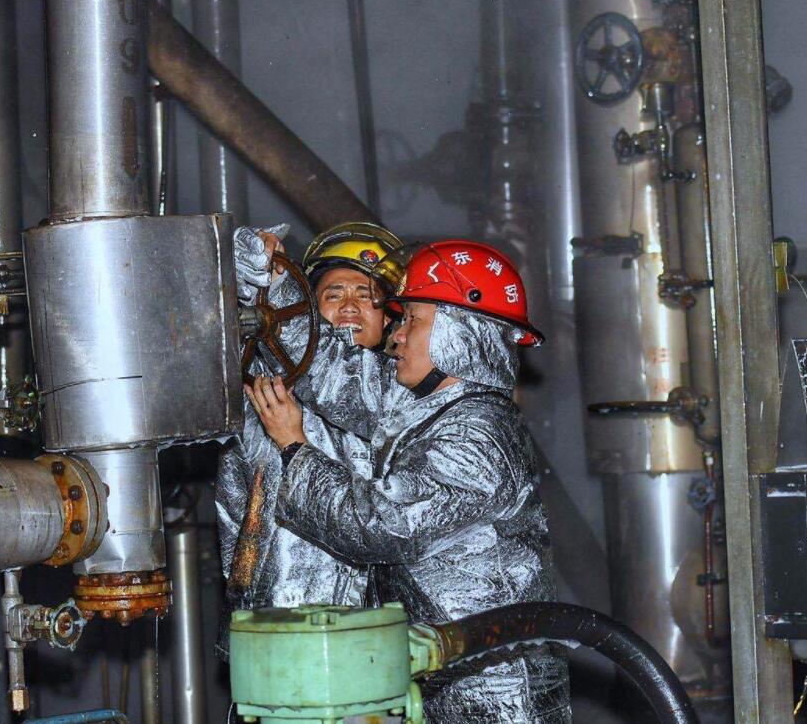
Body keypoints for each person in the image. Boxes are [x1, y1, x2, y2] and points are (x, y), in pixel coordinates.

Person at [244, 239, 572, 723]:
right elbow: (334, 373)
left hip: (493, 690)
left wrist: (295, 447)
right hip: (446, 673)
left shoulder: (478, 435)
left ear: (458, 334)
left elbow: (382, 526)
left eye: (412, 320)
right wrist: (275, 282)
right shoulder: (429, 407)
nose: (395, 336)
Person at [214, 222, 403, 657]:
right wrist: (253, 272)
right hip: (274, 635)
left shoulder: (405, 397)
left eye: (366, 296)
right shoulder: (259, 387)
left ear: (390, 317)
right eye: (334, 294)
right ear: (306, 310)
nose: (350, 306)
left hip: (383, 638)